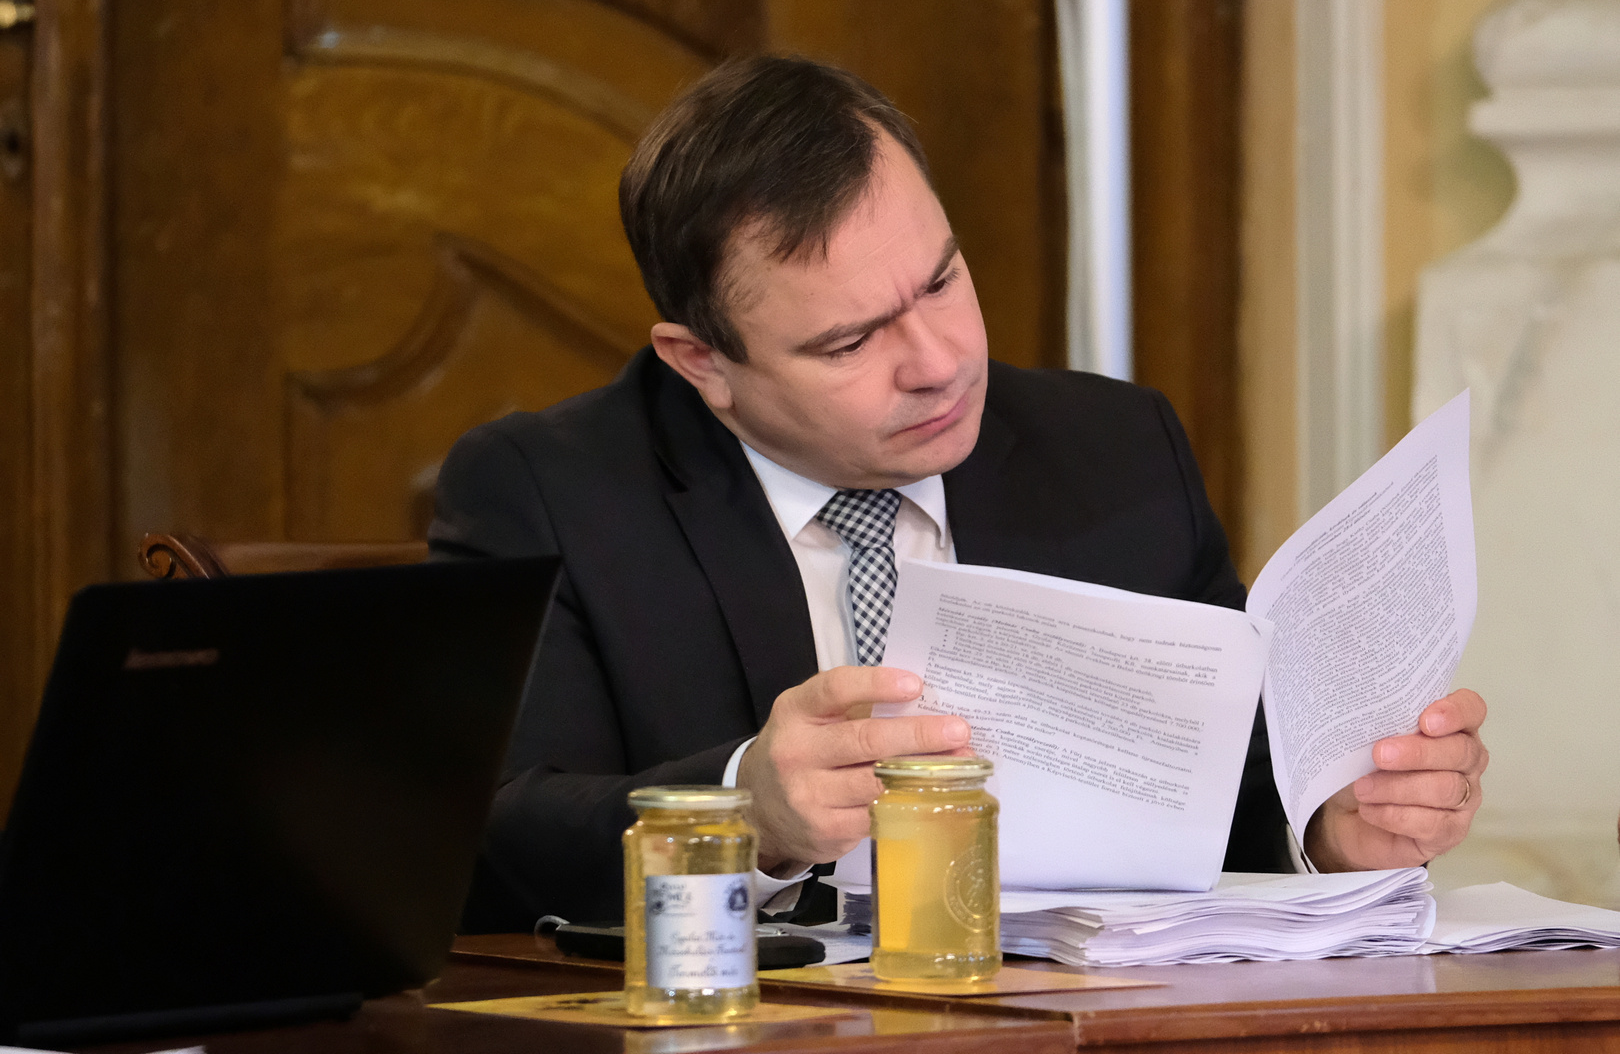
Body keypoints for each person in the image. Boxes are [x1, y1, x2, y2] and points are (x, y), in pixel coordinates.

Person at [430, 55, 1489, 930]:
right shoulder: (552, 491)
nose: (938, 363)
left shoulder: (1116, 452)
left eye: (940, 280)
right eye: (849, 342)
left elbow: (1236, 795)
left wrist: (1334, 828)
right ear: (701, 362)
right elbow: (482, 840)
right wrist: (745, 811)